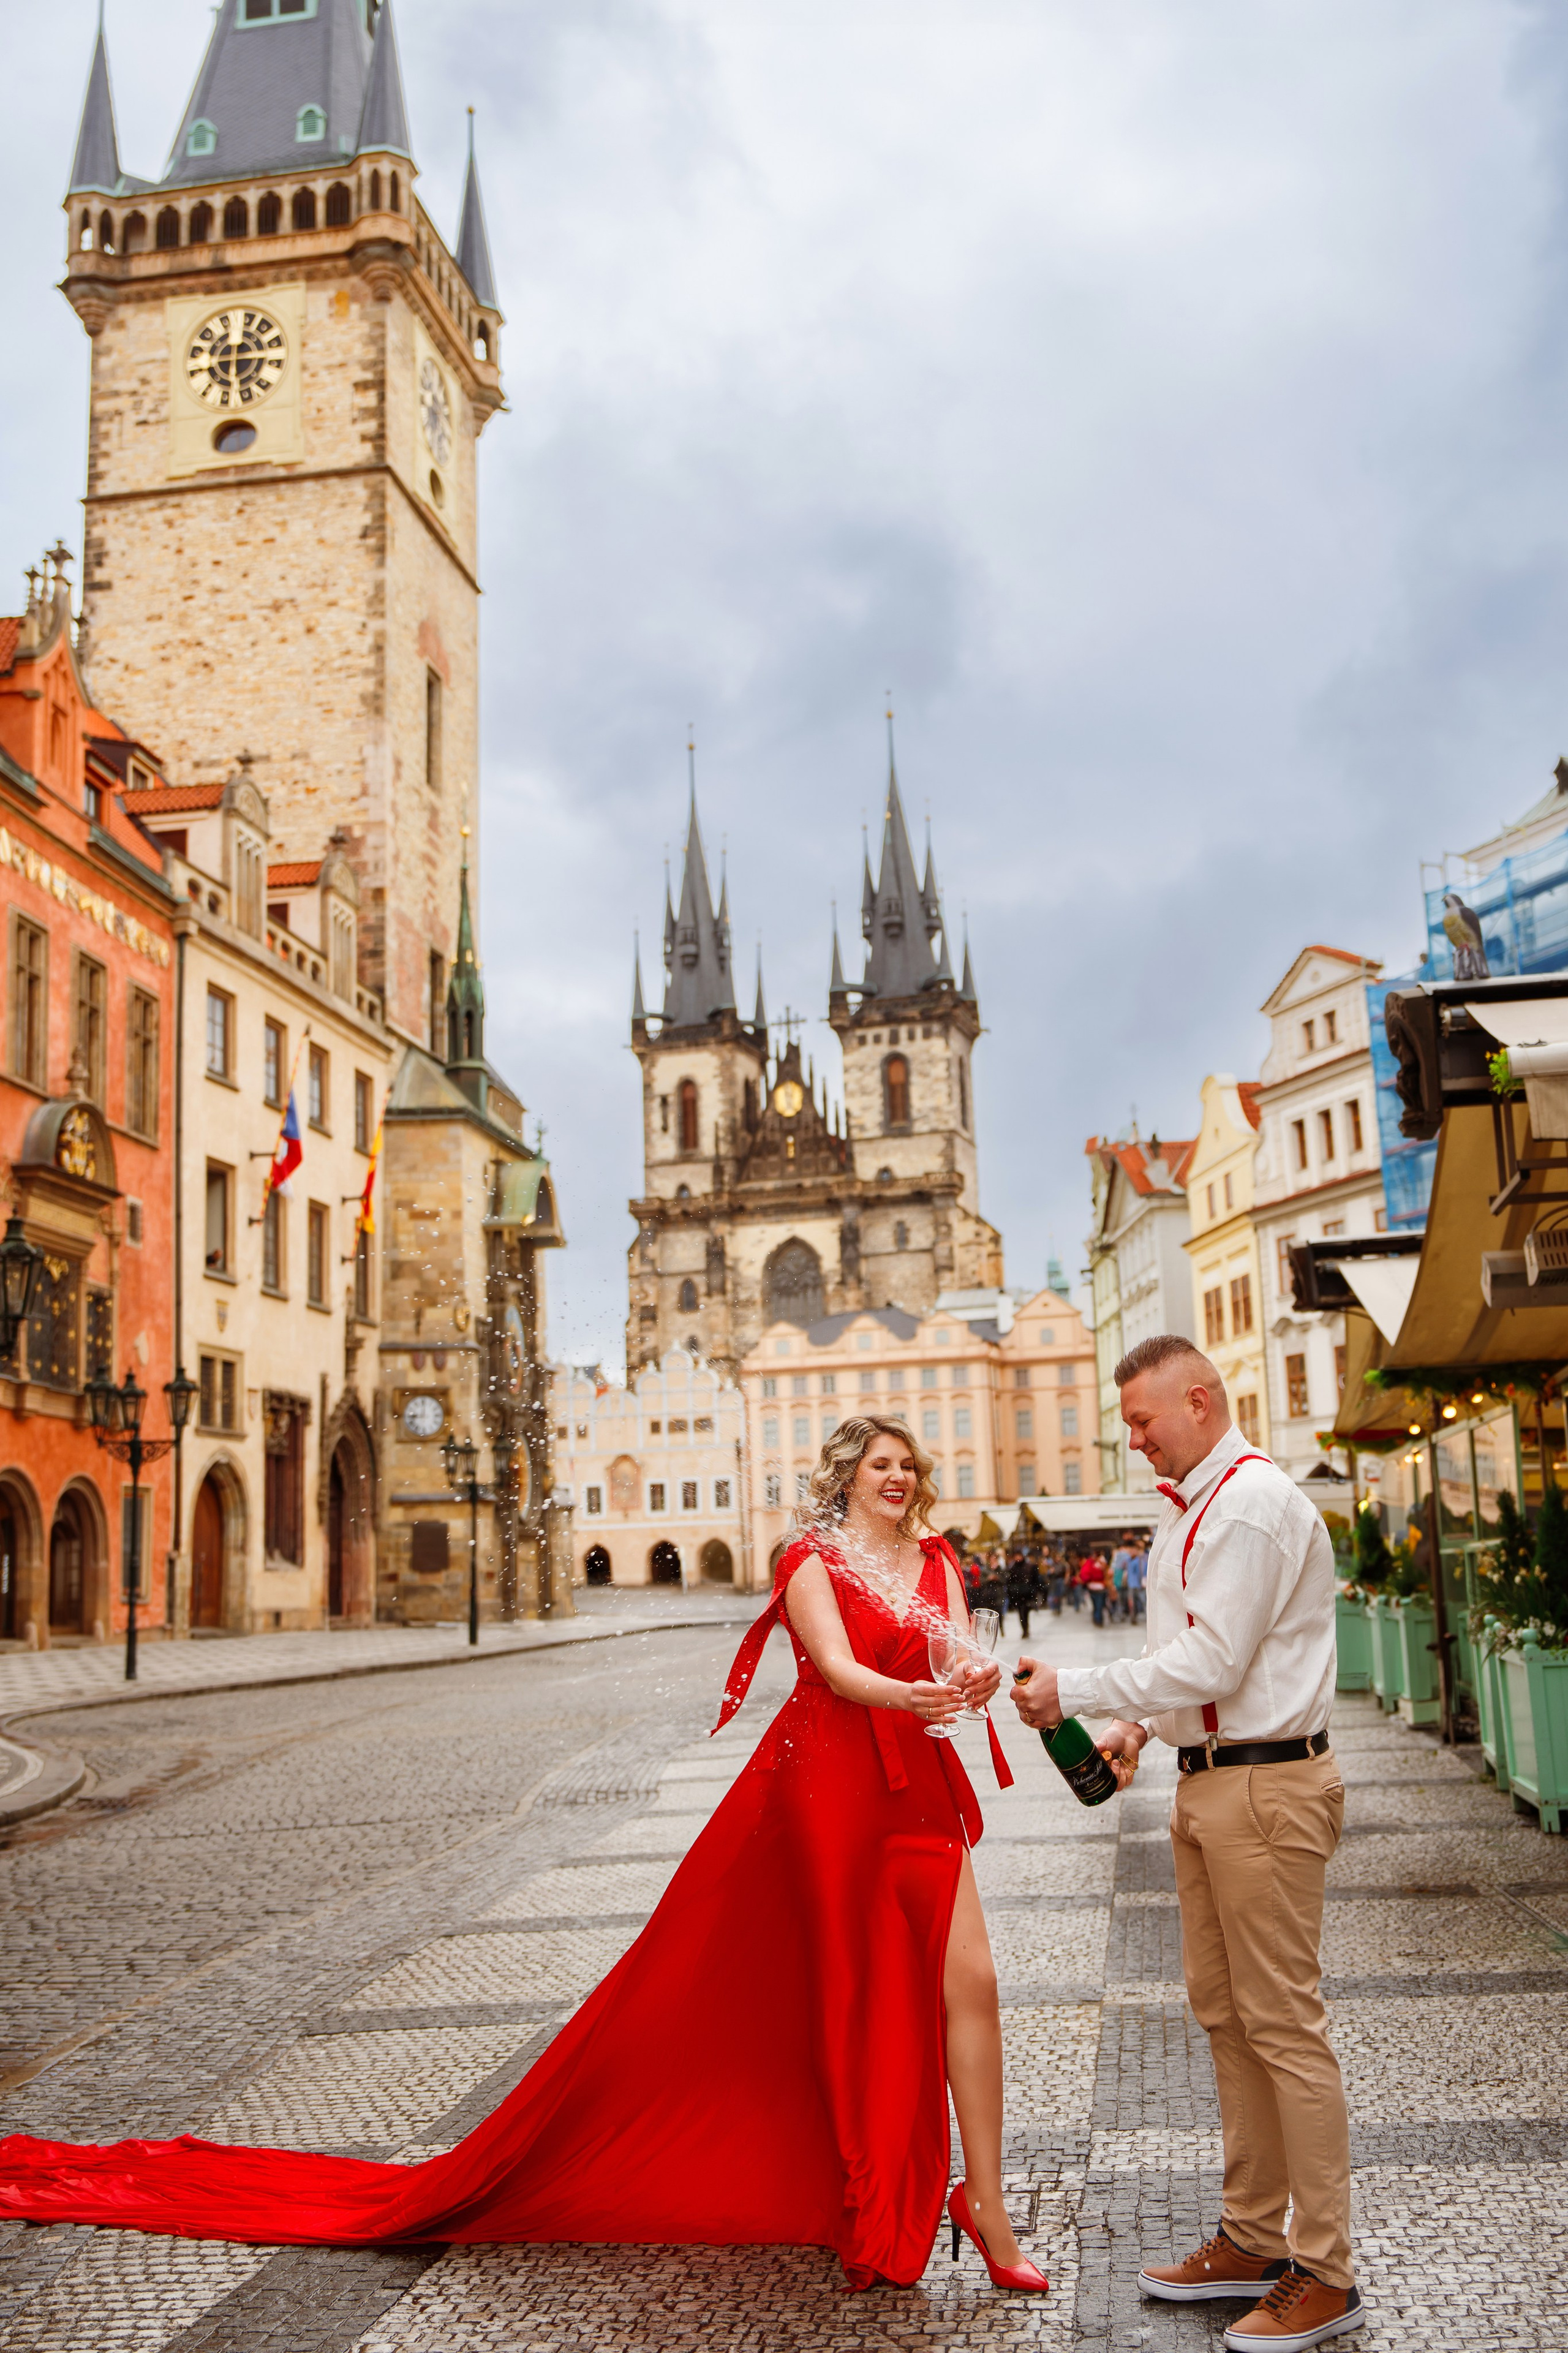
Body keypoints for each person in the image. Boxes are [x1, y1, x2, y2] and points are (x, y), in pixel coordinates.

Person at [0, 1417, 1048, 2298]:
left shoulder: (939, 1560)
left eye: (909, 1464)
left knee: (975, 1987)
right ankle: (865, 2182)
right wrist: (912, 1693)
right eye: (882, 1464)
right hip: (827, 1793)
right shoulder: (810, 1560)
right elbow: (831, 1665)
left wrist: (976, 1679)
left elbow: (955, 1650)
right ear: (848, 1478)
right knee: (845, 1989)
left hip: (920, 1793)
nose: (900, 1477)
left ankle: (984, 2204)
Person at [1011, 1334, 1361, 2352]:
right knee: (1228, 2016)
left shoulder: (1248, 1503)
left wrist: (1075, 1692)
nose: (1134, 1442)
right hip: (1215, 1782)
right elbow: (1198, 1673)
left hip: (1265, 1788)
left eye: (1143, 1422)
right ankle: (1253, 2238)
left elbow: (1213, 1653)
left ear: (1200, 1401)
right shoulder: (1201, 1507)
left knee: (1283, 2027)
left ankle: (1327, 2270)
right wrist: (1138, 1729)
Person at [1006, 1549, 1041, 1638]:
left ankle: (1026, 1629)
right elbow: (1010, 1581)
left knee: (1025, 1612)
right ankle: (1025, 1630)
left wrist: (1034, 1592)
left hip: (1027, 1594)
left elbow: (1035, 1581)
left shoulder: (1030, 1566)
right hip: (1018, 1595)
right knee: (1021, 1613)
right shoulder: (1012, 1568)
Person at [1125, 1537, 1147, 1625]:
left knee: (1144, 1602)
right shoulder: (1128, 1561)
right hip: (1131, 1585)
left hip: (1140, 1585)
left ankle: (1147, 1618)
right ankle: (1133, 1618)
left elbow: (1143, 1572)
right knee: (1132, 1604)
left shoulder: (1141, 1560)